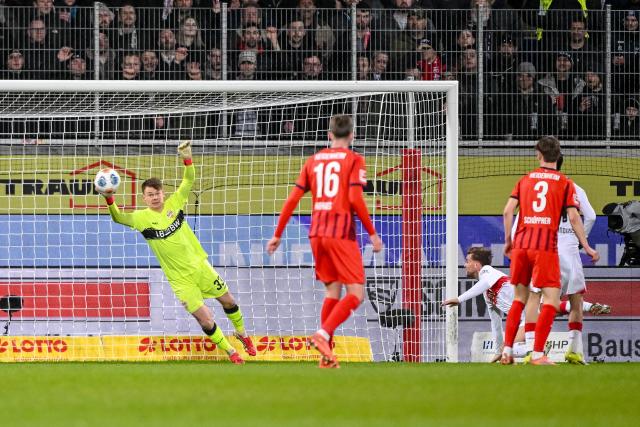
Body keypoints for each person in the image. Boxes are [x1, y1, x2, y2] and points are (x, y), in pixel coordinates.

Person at [97, 142, 255, 365]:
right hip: (180, 280)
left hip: (200, 266)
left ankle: (242, 333)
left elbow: (188, 180)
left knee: (228, 301)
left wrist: (187, 158)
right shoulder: (140, 219)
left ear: (163, 193)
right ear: (144, 198)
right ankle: (232, 352)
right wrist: (109, 198)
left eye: (157, 193)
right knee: (205, 319)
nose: (154, 197)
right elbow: (118, 218)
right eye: (150, 195)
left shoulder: (175, 202)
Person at [266, 115, 382, 368]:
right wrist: (372, 233)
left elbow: (292, 200)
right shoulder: (354, 160)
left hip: (317, 233)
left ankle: (326, 355)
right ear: (351, 135)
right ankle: (323, 334)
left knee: (333, 290)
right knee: (356, 293)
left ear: (329, 135)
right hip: (340, 233)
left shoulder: (313, 161)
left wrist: (277, 234)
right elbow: (354, 199)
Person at [501, 136, 599, 365]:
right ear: (560, 156)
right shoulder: (566, 183)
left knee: (522, 299)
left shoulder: (525, 180)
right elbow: (580, 216)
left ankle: (509, 350)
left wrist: (508, 241)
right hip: (548, 247)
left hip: (522, 245)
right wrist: (585, 246)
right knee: (557, 301)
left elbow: (508, 212)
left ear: (538, 154)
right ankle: (540, 353)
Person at [442, 247, 609, 363]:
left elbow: (484, 283)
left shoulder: (487, 271)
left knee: (548, 307)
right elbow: (496, 323)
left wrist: (460, 298)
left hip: (529, 309)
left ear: (477, 265)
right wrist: (498, 351)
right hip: (526, 318)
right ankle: (542, 345)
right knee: (510, 345)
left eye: (467, 261)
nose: (465, 265)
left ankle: (587, 307)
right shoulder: (488, 293)